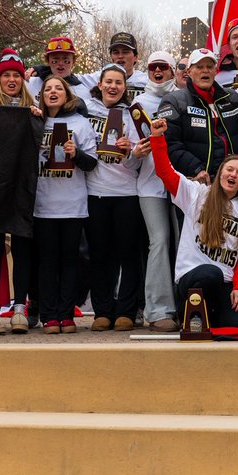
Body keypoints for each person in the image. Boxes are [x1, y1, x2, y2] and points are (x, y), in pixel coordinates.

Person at [150, 115, 238, 328]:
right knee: (211, 273)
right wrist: (157, 138)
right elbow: (165, 172)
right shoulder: (197, 194)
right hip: (194, 277)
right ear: (220, 174)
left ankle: (211, 318)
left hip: (225, 282)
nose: (233, 175)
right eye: (229, 170)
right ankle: (191, 314)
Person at [31, 75, 99, 334]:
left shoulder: (81, 123)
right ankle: (49, 316)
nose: (53, 92)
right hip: (42, 205)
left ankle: (67, 314)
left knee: (70, 261)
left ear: (67, 95)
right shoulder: (36, 121)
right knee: (47, 261)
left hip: (72, 205)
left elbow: (92, 163)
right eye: (48, 88)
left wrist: (75, 153)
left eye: (58, 88)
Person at [84, 64, 144, 331]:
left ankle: (126, 311)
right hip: (94, 192)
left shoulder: (132, 115)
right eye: (108, 81)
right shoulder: (85, 110)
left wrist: (130, 151)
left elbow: (136, 163)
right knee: (99, 255)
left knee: (127, 255)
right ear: (100, 84)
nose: (113, 87)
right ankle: (102, 311)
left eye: (118, 82)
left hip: (126, 193)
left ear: (125, 86)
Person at [0, 48, 38, 335]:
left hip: (23, 187)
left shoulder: (34, 107)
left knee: (23, 247)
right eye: (6, 75)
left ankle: (19, 308)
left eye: (17, 75)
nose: (12, 80)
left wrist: (38, 119)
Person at [155, 48, 238, 181]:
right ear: (189, 72)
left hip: (234, 180)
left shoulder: (231, 97)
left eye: (209, 66)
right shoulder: (174, 101)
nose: (205, 70)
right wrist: (196, 169)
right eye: (199, 67)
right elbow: (170, 143)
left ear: (215, 71)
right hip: (199, 181)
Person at [131, 51, 181, 332]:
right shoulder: (137, 104)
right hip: (150, 184)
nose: (158, 72)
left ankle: (187, 303)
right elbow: (128, 156)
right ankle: (159, 309)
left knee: (184, 242)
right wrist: (135, 154)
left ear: (172, 70)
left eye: (163, 67)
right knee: (159, 241)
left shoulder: (182, 98)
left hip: (180, 183)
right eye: (153, 68)